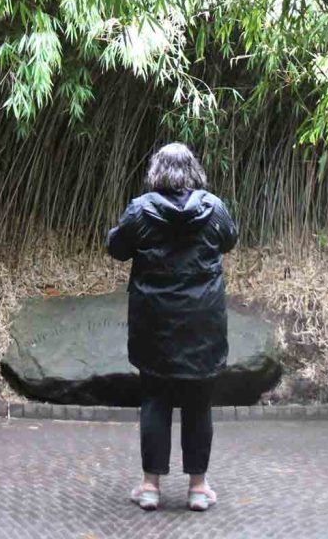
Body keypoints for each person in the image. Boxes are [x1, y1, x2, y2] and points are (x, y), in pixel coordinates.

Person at [106, 142, 238, 512]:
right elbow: (230, 239)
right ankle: (198, 488)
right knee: (199, 403)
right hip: (203, 323)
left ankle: (150, 487)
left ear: (156, 172)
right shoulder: (214, 208)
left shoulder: (140, 210)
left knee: (155, 400)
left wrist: (113, 233)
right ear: (193, 170)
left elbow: (116, 247)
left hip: (155, 324)